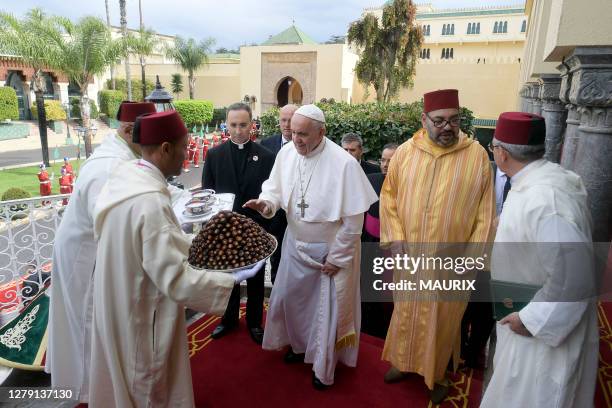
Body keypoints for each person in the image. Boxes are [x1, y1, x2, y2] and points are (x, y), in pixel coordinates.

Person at [88, 110, 262, 407]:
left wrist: (199, 244)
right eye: (183, 148)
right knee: (148, 387)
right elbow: (174, 277)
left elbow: (156, 244)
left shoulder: (127, 180)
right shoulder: (150, 202)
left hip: (119, 300)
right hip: (144, 313)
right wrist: (229, 279)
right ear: (166, 148)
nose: (187, 156)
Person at [244, 104, 378, 389]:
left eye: (303, 134)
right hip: (294, 244)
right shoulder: (287, 153)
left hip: (328, 251)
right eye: (293, 133)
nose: (297, 140)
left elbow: (354, 221)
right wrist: (266, 204)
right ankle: (299, 346)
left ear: (322, 131)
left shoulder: (344, 163)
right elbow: (275, 190)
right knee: (293, 303)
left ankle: (322, 367)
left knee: (325, 314)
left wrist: (339, 257)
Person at [379, 89, 494, 403]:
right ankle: (403, 363)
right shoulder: (405, 152)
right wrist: (397, 236)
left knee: (443, 320)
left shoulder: (477, 155)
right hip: (410, 257)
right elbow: (388, 197)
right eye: (440, 120)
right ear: (424, 119)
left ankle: (437, 374)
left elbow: (486, 213)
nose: (448, 127)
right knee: (406, 312)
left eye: (454, 120)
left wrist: (472, 260)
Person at [47, 102, 167, 403]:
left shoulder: (123, 155)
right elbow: (112, 224)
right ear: (129, 130)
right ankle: (90, 392)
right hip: (87, 258)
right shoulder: (110, 165)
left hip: (91, 253)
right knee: (88, 328)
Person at [481, 112, 598, 408]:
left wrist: (531, 319)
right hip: (520, 307)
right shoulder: (535, 181)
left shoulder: (547, 199)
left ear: (501, 153)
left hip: (538, 329)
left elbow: (574, 277)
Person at [202, 102, 275, 345]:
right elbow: (208, 194)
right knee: (227, 279)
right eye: (233, 125)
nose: (238, 130)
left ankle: (255, 322)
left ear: (251, 125)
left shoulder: (266, 157)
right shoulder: (214, 155)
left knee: (255, 281)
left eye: (243, 125)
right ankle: (228, 319)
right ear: (227, 125)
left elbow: (270, 194)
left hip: (255, 230)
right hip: (226, 231)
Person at [360, 143, 398, 340]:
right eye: (383, 160)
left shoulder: (407, 184)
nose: (385, 164)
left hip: (392, 248)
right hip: (368, 245)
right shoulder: (370, 180)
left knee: (387, 295)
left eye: (391, 161)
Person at [260, 104, 298, 283]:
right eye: (283, 120)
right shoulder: (267, 145)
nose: (287, 124)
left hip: (299, 213)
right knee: (276, 256)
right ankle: (276, 289)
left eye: (291, 120)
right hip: (274, 214)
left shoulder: (307, 146)